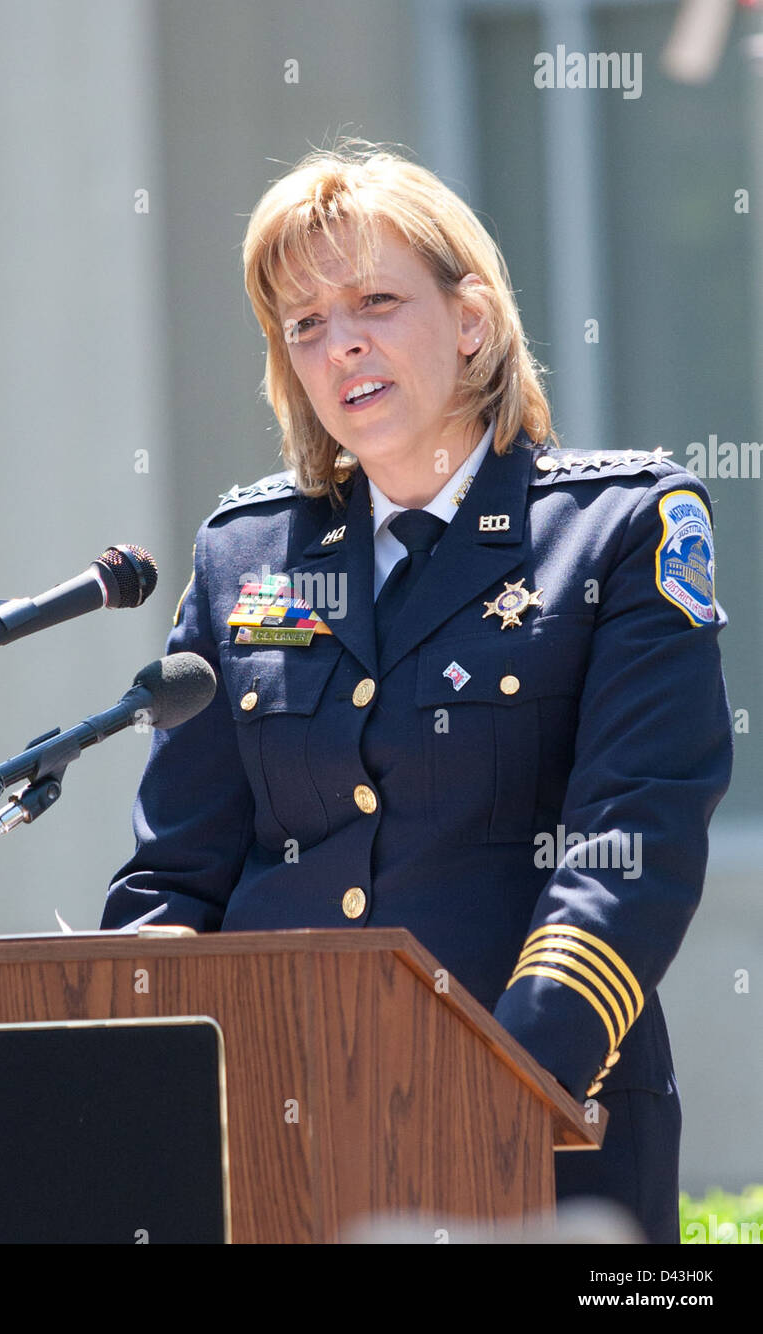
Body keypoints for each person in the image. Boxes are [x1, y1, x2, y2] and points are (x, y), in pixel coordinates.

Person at [100, 142, 733, 1243]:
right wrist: (141, 1088)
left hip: (539, 1129)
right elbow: (176, 875)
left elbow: (632, 841)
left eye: (375, 302)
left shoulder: (617, 529)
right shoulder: (245, 556)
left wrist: (499, 1083)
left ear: (472, 320)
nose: (340, 341)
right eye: (303, 323)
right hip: (269, 1144)